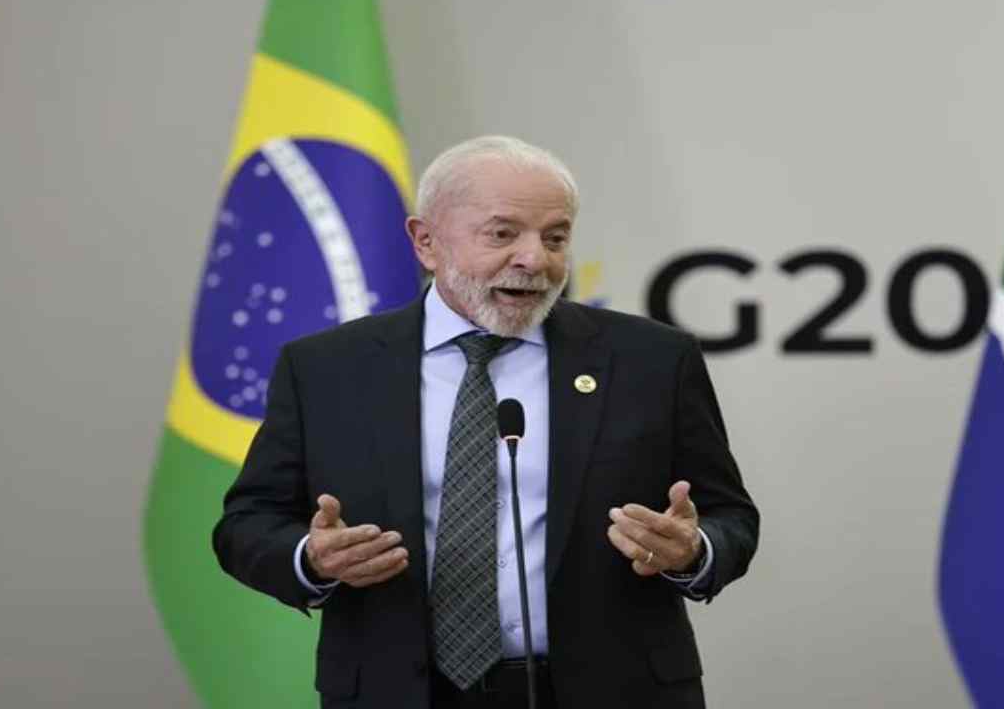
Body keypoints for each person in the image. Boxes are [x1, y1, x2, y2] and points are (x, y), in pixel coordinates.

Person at [213, 136, 759, 709]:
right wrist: (312, 557)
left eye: (555, 238)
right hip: (398, 692)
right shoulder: (325, 368)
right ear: (425, 242)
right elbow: (248, 523)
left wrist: (693, 550)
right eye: (503, 234)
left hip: (614, 691)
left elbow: (730, 516)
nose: (535, 260)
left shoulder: (651, 360)